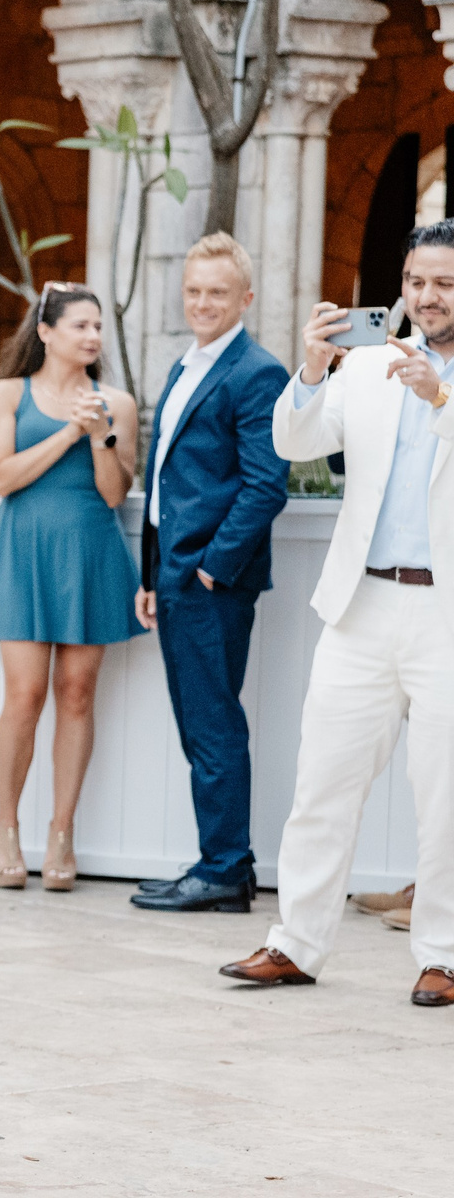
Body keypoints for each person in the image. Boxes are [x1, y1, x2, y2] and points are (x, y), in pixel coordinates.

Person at [220, 221, 454, 1005]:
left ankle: (445, 955)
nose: (427, 296)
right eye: (417, 281)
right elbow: (294, 443)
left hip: (447, 615)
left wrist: (439, 396)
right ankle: (295, 943)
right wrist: (314, 370)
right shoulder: (371, 365)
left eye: (445, 283)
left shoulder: (427, 379)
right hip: (361, 604)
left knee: (445, 798)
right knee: (322, 781)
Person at [128, 234, 292, 913]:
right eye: (193, 290)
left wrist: (210, 572)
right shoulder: (186, 365)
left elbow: (266, 485)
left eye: (217, 292)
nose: (202, 303)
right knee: (200, 723)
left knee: (214, 723)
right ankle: (224, 866)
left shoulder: (257, 372)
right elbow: (165, 477)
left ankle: (223, 867)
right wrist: (152, 574)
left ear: (245, 298)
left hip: (209, 582)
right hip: (173, 574)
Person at [0, 284, 143, 890]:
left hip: (89, 551)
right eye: (80, 326)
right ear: (45, 332)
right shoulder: (6, 394)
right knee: (24, 695)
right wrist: (68, 433)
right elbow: (1, 477)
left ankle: (62, 832)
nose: (93, 336)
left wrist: (99, 434)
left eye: (97, 326)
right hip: (24, 551)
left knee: (77, 693)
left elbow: (114, 493)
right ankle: (6, 825)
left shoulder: (117, 403)